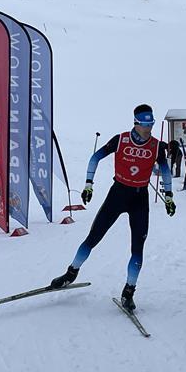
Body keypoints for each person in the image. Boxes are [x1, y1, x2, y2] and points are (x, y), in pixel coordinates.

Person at [49, 104, 176, 312]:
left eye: (151, 124)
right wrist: (88, 184)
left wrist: (169, 196)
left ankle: (129, 292)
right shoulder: (121, 139)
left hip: (140, 199)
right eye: (145, 124)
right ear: (135, 123)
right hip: (117, 194)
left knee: (137, 249)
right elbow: (95, 157)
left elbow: (165, 170)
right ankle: (71, 273)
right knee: (93, 238)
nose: (148, 129)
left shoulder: (157, 146)